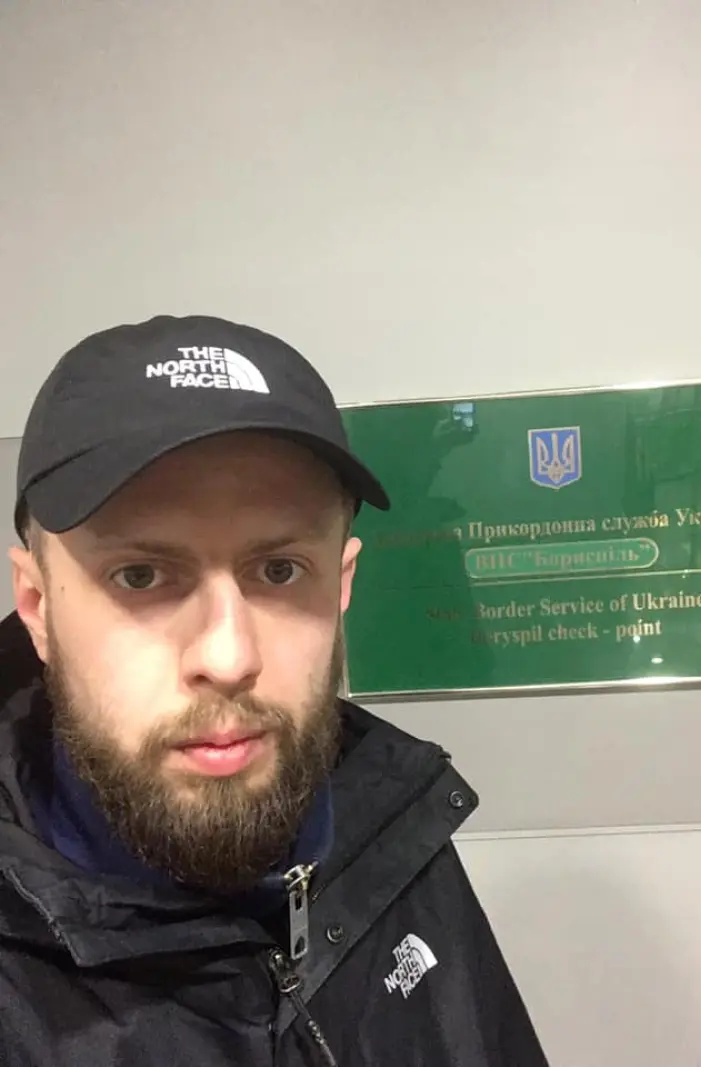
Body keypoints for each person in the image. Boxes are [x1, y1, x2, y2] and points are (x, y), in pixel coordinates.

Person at [0, 315, 550, 1067]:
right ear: (37, 606)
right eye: (141, 575)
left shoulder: (390, 830)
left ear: (341, 584)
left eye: (281, 570)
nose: (228, 657)